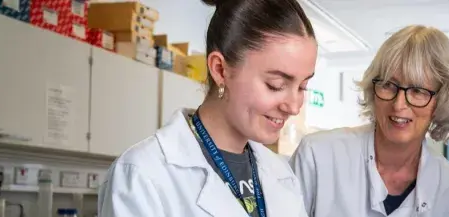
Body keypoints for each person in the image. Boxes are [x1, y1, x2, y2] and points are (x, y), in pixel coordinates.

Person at [97, 0, 317, 216]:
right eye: (276, 86)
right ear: (220, 70)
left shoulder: (281, 174)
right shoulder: (143, 174)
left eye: (303, 86)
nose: (294, 106)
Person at [290, 25, 449, 217]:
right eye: (388, 85)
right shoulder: (318, 155)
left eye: (418, 91)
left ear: (441, 101)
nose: (399, 104)